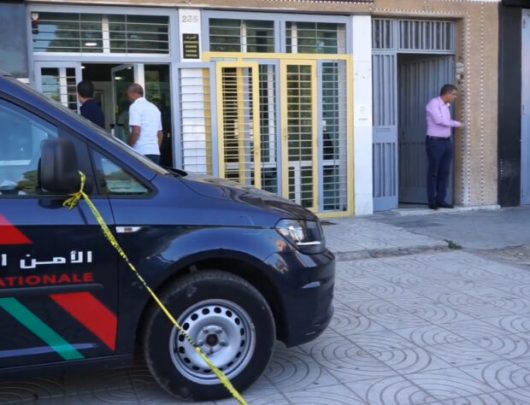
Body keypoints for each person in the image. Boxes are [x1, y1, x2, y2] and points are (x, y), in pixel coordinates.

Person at [425, 84, 462, 210]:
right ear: (447, 93)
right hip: (435, 142)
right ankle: (432, 202)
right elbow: (439, 120)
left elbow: (446, 121)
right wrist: (457, 124)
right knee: (434, 172)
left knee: (444, 172)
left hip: (446, 142)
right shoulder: (433, 104)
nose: (455, 97)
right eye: (454, 94)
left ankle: (440, 200)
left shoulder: (446, 106)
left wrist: (453, 124)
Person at [126, 83, 163, 164]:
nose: (128, 98)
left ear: (132, 93)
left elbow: (136, 132)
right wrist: (154, 147)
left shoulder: (135, 106)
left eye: (128, 94)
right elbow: (160, 134)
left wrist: (128, 148)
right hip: (155, 152)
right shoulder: (154, 108)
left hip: (140, 152)